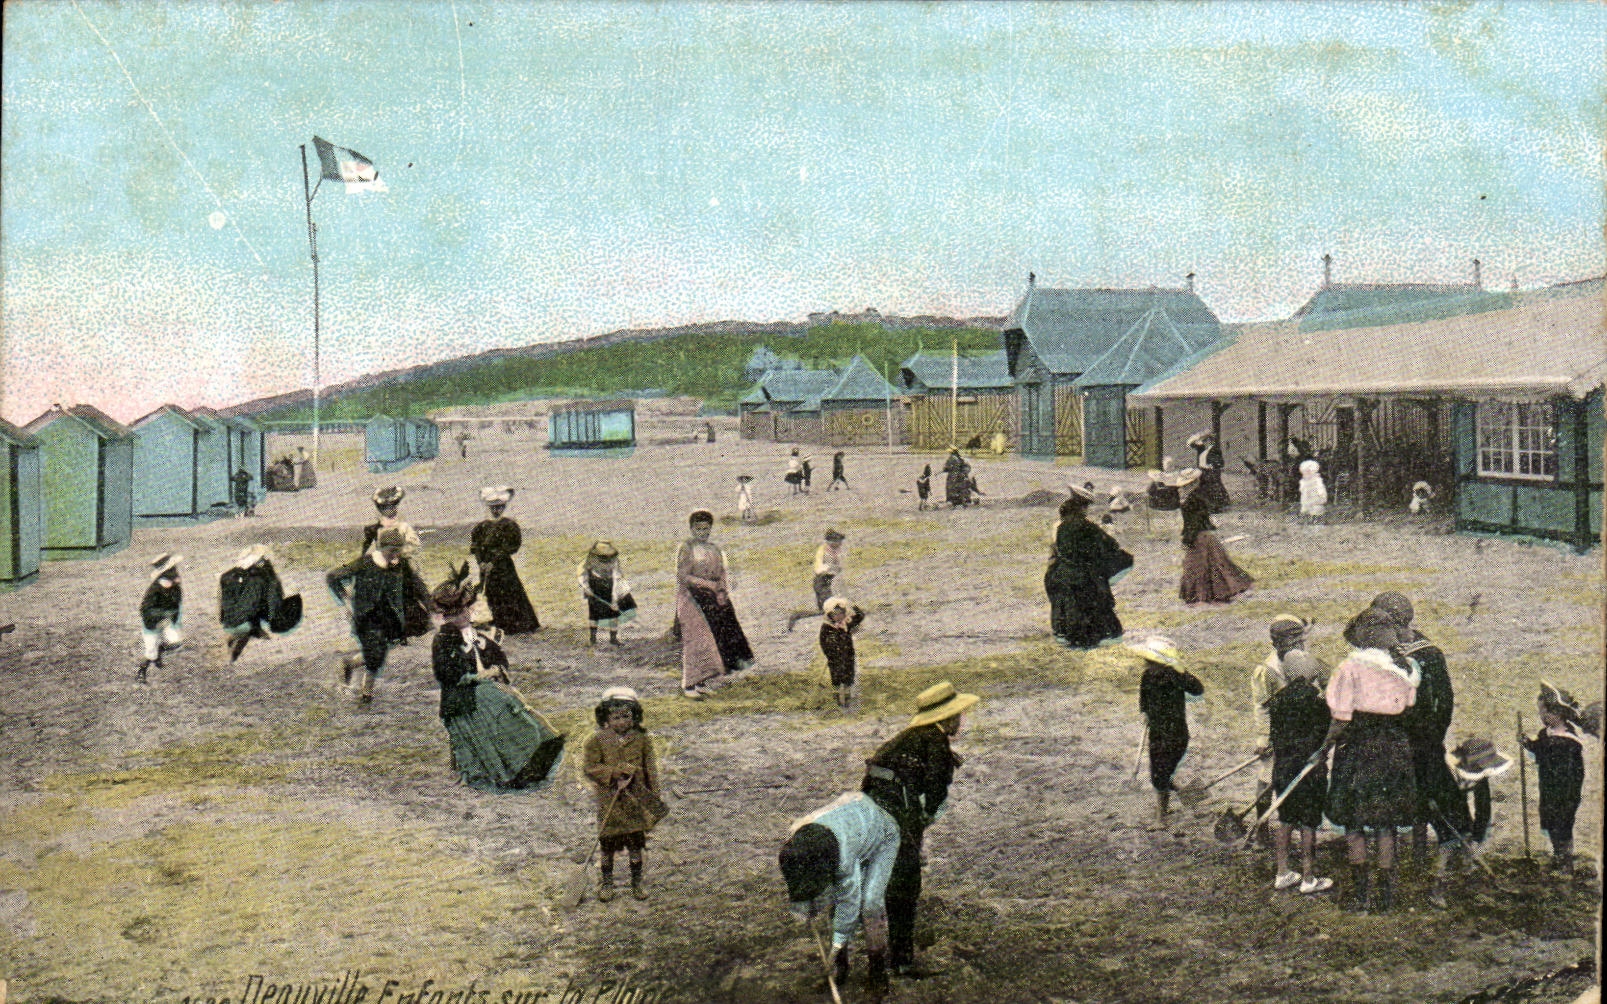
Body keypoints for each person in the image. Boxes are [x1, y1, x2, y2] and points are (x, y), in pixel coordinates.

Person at [861, 681, 977, 979]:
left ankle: (877, 949)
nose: (962, 721)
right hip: (896, 814)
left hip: (870, 810)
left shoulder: (904, 738)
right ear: (946, 718)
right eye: (959, 715)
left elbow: (870, 778)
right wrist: (917, 827)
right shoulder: (937, 744)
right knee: (905, 884)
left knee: (882, 879)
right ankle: (901, 960)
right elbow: (935, 794)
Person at [1370, 590, 1471, 901]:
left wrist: (1432, 736)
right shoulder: (1411, 652)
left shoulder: (1413, 655)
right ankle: (1425, 865)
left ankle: (1440, 873)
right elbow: (1445, 702)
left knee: (1435, 806)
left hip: (1413, 744)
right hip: (1411, 744)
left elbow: (1444, 701)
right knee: (1428, 806)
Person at [431, 566, 566, 792]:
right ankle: (505, 767)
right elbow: (446, 674)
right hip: (464, 696)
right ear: (448, 616)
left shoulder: (477, 633)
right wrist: (479, 676)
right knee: (500, 709)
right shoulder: (443, 639)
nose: (465, 615)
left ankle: (529, 759)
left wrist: (495, 669)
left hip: (487, 689)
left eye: (464, 611)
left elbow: (498, 657)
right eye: (457, 613)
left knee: (518, 714)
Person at [1323, 608, 1419, 913]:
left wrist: (1324, 747)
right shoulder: (1405, 668)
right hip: (1393, 748)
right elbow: (1408, 706)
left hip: (1359, 747)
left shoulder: (1349, 667)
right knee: (1386, 822)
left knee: (1355, 821)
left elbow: (1340, 718)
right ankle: (1385, 897)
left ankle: (1361, 894)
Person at [781, 790, 900, 997]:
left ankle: (877, 972)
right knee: (834, 899)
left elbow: (849, 903)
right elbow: (801, 882)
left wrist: (835, 946)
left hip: (883, 836)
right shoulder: (798, 843)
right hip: (856, 824)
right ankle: (840, 969)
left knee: (870, 903)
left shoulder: (843, 858)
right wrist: (806, 907)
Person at [327, 528, 430, 705]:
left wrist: (431, 606)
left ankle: (349, 665)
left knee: (379, 649)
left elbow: (417, 585)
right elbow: (333, 577)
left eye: (399, 550)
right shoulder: (365, 563)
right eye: (392, 551)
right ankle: (366, 694)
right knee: (376, 649)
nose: (396, 555)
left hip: (387, 615)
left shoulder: (400, 564)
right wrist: (345, 601)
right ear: (381, 548)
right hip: (365, 615)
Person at [583, 687, 666, 901]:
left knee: (636, 845)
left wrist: (653, 798)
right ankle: (607, 882)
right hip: (610, 802)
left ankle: (637, 882)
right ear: (605, 718)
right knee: (607, 847)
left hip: (635, 803)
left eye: (626, 716)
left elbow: (650, 770)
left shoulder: (642, 740)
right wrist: (613, 773)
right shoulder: (596, 741)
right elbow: (590, 768)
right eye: (616, 717)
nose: (621, 722)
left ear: (635, 716)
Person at [1265, 651, 1333, 894]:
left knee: (1285, 819)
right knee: (1308, 822)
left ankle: (1282, 872)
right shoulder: (1317, 700)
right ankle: (1308, 878)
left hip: (1283, 767)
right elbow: (1325, 735)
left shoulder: (1277, 700)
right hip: (1309, 770)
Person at [675, 510, 755, 699]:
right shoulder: (687, 548)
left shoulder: (714, 549)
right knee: (696, 641)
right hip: (691, 600)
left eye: (706, 529)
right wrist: (709, 585)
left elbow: (722, 574)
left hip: (712, 600)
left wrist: (722, 592)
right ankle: (688, 685)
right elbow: (683, 576)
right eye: (698, 529)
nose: (702, 532)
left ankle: (702, 681)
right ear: (691, 528)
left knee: (714, 640)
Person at [1043, 489, 1133, 648]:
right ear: (1082, 508)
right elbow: (1110, 545)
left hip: (1063, 573)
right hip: (1085, 575)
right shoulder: (1087, 526)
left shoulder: (1061, 527)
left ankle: (1068, 635)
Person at [1520, 682, 1592, 874]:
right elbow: (1540, 748)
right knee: (1551, 822)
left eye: (1544, 712)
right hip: (1549, 789)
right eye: (1540, 712)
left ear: (1558, 714)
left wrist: (1567, 792)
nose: (1541, 716)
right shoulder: (1547, 733)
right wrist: (1528, 743)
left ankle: (1565, 862)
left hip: (1565, 792)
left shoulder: (1568, 742)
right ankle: (1557, 855)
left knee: (1563, 824)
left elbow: (1573, 773)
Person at [1133, 636, 1204, 828]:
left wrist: (1182, 672)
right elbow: (1144, 697)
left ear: (1162, 663)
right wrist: (1145, 713)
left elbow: (1198, 689)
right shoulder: (1147, 676)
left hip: (1176, 735)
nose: (1147, 665)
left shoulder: (1175, 676)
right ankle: (1186, 802)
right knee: (1160, 774)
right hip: (1157, 733)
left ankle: (1161, 818)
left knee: (1163, 774)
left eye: (1151, 662)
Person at [1251, 616, 1314, 821]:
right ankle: (1262, 826)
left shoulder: (1303, 661)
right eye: (1291, 642)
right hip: (1276, 732)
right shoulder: (1266, 670)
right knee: (1267, 777)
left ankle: (1292, 824)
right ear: (1276, 644)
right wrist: (1264, 738)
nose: (1297, 646)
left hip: (1298, 732)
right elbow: (1261, 707)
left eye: (1300, 641)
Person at [361, 486, 432, 639]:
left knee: (415, 588)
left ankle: (427, 619)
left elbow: (414, 545)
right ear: (380, 509)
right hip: (383, 568)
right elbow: (368, 552)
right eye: (386, 508)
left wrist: (401, 552)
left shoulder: (403, 526)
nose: (390, 510)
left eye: (393, 506)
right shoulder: (374, 529)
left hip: (402, 565)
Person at [470, 486, 541, 635]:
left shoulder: (509, 525)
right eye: (494, 507)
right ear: (489, 508)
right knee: (492, 593)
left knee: (509, 593)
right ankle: (500, 620)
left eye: (500, 507)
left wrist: (493, 562)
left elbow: (510, 547)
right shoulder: (480, 527)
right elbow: (476, 547)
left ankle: (515, 624)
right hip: (486, 567)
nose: (497, 510)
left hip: (503, 566)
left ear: (504, 507)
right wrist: (481, 563)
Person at [1176, 469, 1253, 604]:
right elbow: (1202, 518)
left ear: (1192, 484)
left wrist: (1187, 539)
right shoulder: (1198, 496)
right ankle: (1216, 592)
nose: (1182, 489)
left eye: (1184, 486)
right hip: (1205, 535)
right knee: (1215, 563)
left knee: (1197, 566)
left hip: (1198, 536)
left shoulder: (1192, 500)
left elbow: (1194, 523)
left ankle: (1202, 595)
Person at [219, 545, 302, 662]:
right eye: (263, 560)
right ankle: (234, 654)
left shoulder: (230, 576)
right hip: (243, 621)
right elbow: (264, 603)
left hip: (227, 621)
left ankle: (236, 644)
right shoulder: (261, 580)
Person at [1449, 737, 1511, 848]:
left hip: (1472, 773)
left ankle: (1476, 837)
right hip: (1455, 787)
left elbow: (1483, 807)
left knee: (1482, 801)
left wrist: (1477, 838)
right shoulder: (1451, 772)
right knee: (1457, 805)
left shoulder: (1481, 768)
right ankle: (1464, 832)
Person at [136, 553, 184, 684]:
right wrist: (162, 617)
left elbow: (177, 605)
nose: (176, 575)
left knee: (175, 642)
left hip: (166, 620)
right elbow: (145, 610)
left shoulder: (175, 589)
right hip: (152, 622)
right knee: (150, 652)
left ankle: (159, 651)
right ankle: (142, 672)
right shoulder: (154, 591)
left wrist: (172, 620)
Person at [578, 541, 636, 646]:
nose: (606, 561)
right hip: (594, 586)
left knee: (613, 615)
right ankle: (593, 639)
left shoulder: (615, 562)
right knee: (594, 614)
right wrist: (587, 588)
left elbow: (617, 578)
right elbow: (582, 575)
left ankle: (613, 639)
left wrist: (614, 599)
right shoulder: (589, 561)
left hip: (610, 586)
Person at [820, 597, 866, 710]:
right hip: (835, 659)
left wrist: (855, 607)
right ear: (829, 616)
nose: (839, 616)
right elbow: (823, 643)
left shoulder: (846, 623)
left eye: (841, 613)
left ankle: (847, 699)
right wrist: (830, 652)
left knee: (848, 677)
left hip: (848, 656)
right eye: (835, 614)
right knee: (836, 678)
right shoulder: (827, 628)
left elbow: (860, 616)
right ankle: (837, 700)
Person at [1186, 432, 1230, 512]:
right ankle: (1205, 507)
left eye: (1207, 440)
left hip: (1211, 472)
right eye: (1204, 440)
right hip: (1203, 472)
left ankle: (1216, 507)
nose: (1205, 442)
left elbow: (1220, 462)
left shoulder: (1215, 449)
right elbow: (1189, 443)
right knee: (1203, 489)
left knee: (1212, 489)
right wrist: (1198, 436)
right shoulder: (1201, 448)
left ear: (1210, 441)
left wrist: (1213, 465)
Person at [814, 529, 846, 611]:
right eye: (838, 541)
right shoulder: (824, 549)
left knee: (832, 590)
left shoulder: (837, 551)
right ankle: (826, 608)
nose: (840, 543)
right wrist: (824, 569)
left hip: (831, 575)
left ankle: (829, 607)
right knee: (823, 591)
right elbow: (819, 563)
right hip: (823, 575)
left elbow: (839, 563)